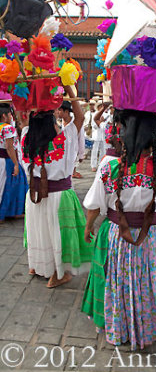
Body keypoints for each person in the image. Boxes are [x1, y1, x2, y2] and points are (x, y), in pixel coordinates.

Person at [81, 107, 156, 350]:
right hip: (151, 236)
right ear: (155, 135)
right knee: (148, 280)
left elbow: (95, 206)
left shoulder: (110, 165)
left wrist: (88, 228)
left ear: (124, 133)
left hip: (116, 235)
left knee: (116, 281)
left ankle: (120, 325)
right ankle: (148, 325)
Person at [21, 86, 93, 288]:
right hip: (58, 196)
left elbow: (23, 121)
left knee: (39, 231)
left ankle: (37, 264)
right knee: (58, 235)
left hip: (34, 195)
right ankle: (57, 274)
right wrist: (70, 87)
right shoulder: (63, 140)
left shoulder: (26, 139)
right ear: (52, 124)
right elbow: (79, 118)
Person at [0, 103, 28, 222]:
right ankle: (11, 211)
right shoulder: (7, 128)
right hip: (7, 160)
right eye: (10, 114)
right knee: (15, 184)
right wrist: (16, 164)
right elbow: (9, 147)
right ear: (4, 115)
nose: (12, 116)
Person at [58, 101, 85, 179]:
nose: (57, 112)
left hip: (72, 151)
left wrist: (81, 154)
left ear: (66, 111)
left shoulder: (75, 124)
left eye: (59, 110)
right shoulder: (58, 123)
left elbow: (81, 138)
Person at [90, 101, 107, 172]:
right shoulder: (95, 114)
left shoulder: (106, 114)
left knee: (103, 150)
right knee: (95, 151)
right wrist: (100, 122)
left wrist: (103, 121)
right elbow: (93, 125)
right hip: (96, 135)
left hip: (103, 135)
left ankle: (101, 164)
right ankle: (93, 165)